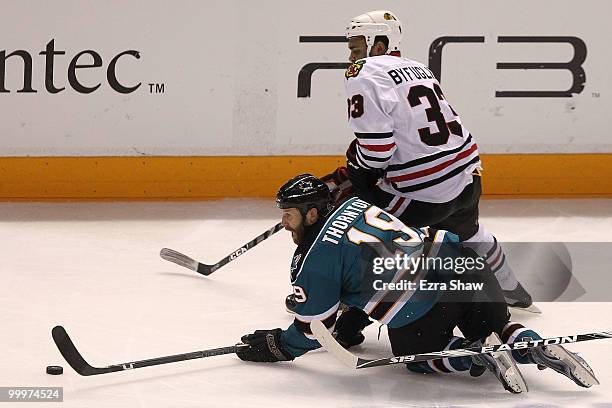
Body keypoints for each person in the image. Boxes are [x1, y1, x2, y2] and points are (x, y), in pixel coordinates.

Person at [236, 174, 598, 394]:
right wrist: (354, 317)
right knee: (497, 323)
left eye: (288, 214)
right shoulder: (356, 205)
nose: (284, 223)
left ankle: (475, 355)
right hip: (469, 265)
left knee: (413, 358)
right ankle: (531, 345)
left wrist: (279, 346)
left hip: (423, 304)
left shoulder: (313, 260)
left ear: (312, 213)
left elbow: (312, 329)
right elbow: (373, 258)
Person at [322, 10, 534, 311]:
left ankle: (346, 303)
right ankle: (511, 287)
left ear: (378, 45)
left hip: (423, 197)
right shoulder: (418, 68)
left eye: (355, 48)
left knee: (355, 217)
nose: (351, 56)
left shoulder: (363, 72)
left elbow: (377, 149)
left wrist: (356, 173)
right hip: (467, 177)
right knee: (470, 230)